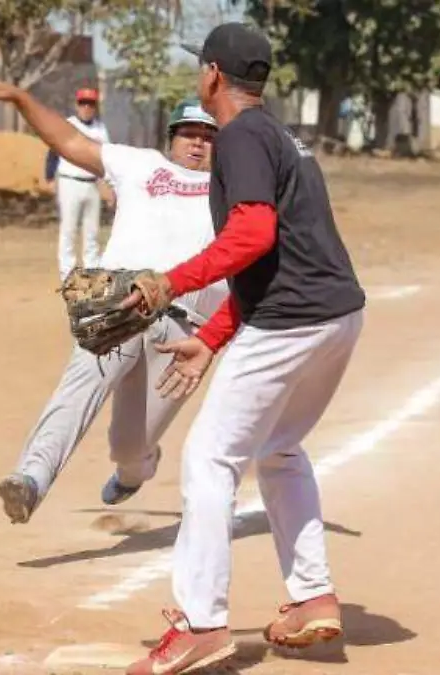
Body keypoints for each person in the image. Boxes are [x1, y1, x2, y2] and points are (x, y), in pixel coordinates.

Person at [117, 23, 367, 675]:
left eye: (200, 69)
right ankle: (312, 594)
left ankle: (201, 624)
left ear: (212, 77)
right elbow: (274, 255)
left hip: (292, 321)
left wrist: (172, 279)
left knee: (208, 456)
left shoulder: (242, 139)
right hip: (335, 315)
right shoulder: (278, 135)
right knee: (279, 448)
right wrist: (211, 337)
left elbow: (252, 235)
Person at [0, 79, 228, 525]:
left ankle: (134, 470)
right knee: (77, 389)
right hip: (120, 305)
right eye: (189, 134)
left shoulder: (232, 192)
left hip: (185, 329)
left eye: (208, 137)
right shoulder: (140, 165)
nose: (198, 144)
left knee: (129, 444)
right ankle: (31, 477)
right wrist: (23, 100)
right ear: (171, 139)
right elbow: (71, 141)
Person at [43, 88, 113, 281]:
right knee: (69, 228)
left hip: (92, 184)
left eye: (90, 104)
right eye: (83, 103)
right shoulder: (69, 124)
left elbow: (106, 157)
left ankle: (91, 269)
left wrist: (109, 185)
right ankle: (68, 272)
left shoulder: (100, 129)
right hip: (69, 182)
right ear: (77, 105)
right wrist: (49, 177)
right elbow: (53, 151)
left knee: (92, 230)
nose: (87, 107)